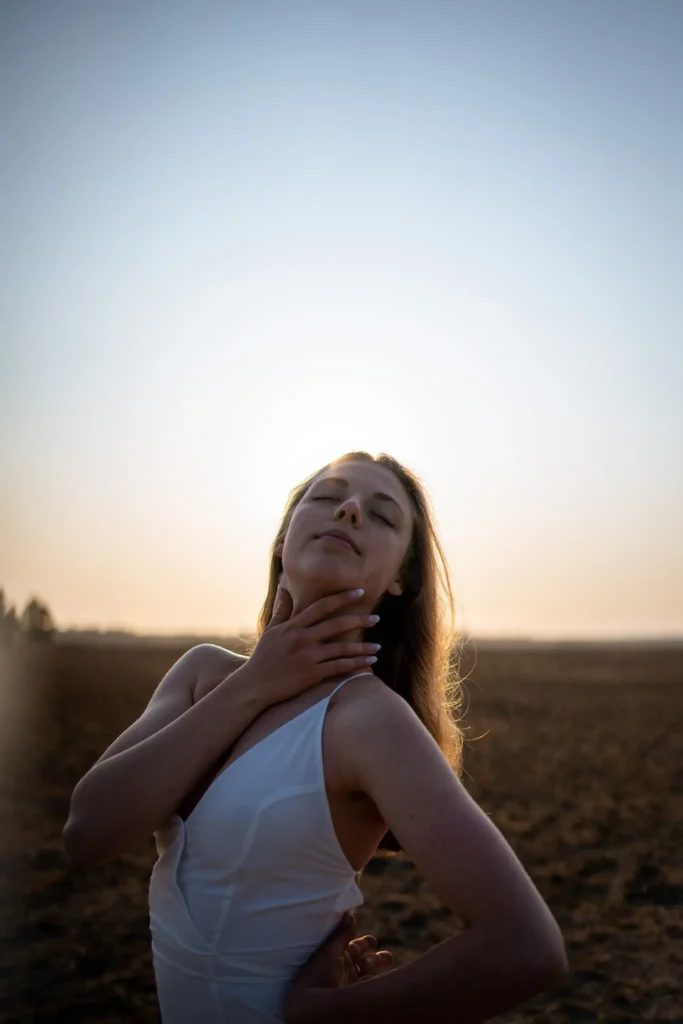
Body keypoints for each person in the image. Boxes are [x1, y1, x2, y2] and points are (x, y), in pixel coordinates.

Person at [64, 450, 569, 1023]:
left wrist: (329, 1014)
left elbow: (527, 947)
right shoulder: (202, 674)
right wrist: (254, 683)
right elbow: (87, 833)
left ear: (400, 578)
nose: (350, 510)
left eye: (382, 515)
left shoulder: (370, 720)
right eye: (327, 497)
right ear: (283, 541)